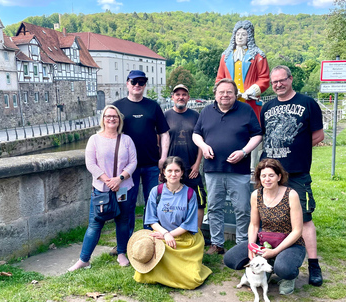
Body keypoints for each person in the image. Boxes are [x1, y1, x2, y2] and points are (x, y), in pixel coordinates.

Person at [260, 65, 324, 286]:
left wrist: (296, 150)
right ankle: (270, 258)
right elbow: (265, 135)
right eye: (274, 81)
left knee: (305, 218)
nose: (278, 84)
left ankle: (314, 265)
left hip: (296, 173)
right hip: (270, 174)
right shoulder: (266, 107)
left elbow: (317, 136)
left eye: (282, 80)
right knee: (267, 217)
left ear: (290, 79)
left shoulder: (308, 103)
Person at [193, 78, 262, 255]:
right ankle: (217, 244)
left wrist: (244, 152)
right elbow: (196, 134)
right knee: (215, 208)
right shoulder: (207, 111)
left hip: (238, 171)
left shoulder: (245, 110)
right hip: (212, 169)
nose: (225, 95)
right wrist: (203, 146)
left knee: (242, 209)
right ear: (215, 94)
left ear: (235, 94)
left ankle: (242, 244)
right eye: (221, 92)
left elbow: (257, 135)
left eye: (229, 92)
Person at [68, 105, 137, 271]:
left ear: (119, 119)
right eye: (108, 116)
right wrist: (108, 180)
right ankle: (84, 259)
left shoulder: (126, 140)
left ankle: (121, 253)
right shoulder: (94, 139)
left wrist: (119, 179)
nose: (111, 119)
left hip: (123, 188)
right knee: (95, 223)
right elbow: (90, 163)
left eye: (114, 116)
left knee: (122, 221)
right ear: (103, 119)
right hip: (101, 188)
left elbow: (133, 162)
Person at [224, 159, 305, 295]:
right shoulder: (256, 195)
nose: (267, 179)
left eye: (271, 175)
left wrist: (275, 251)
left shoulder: (291, 195)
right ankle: (266, 267)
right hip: (265, 242)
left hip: (291, 243)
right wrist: (251, 246)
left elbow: (297, 230)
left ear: (279, 177)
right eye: (263, 176)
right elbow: (254, 224)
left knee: (284, 268)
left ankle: (287, 276)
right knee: (231, 259)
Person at [128, 156, 212, 289]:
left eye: (177, 171)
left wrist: (171, 235)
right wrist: (165, 234)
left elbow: (189, 223)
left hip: (185, 238)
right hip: (161, 235)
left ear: (182, 173)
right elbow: (151, 220)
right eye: (170, 170)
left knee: (192, 281)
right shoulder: (156, 191)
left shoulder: (190, 193)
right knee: (144, 268)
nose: (173, 174)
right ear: (164, 173)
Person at [112, 70, 170, 238]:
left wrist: (163, 158)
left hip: (151, 165)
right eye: (134, 82)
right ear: (127, 84)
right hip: (126, 169)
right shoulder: (117, 107)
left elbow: (164, 133)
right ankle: (125, 242)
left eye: (141, 82)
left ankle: (149, 240)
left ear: (145, 85)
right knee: (126, 204)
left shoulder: (153, 106)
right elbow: (108, 133)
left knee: (152, 204)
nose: (137, 85)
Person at [164, 84, 207, 229]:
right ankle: (173, 231)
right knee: (172, 201)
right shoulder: (166, 116)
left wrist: (197, 164)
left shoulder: (195, 116)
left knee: (199, 200)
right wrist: (162, 166)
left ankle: (197, 232)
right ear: (172, 97)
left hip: (191, 167)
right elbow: (160, 141)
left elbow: (202, 140)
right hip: (172, 169)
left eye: (183, 94)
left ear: (188, 98)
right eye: (177, 94)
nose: (180, 97)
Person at [216, 20, 270, 122]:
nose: (240, 37)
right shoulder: (225, 57)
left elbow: (264, 78)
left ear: (249, 36)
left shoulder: (258, 56)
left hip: (250, 103)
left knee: (252, 129)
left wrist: (252, 91)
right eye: (238, 34)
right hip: (229, 103)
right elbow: (219, 79)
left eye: (243, 34)